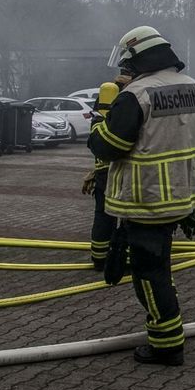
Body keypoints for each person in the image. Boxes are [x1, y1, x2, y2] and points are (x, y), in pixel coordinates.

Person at [87, 26, 195, 366]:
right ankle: (167, 336)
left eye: (127, 63)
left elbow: (110, 146)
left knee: (149, 274)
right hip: (183, 198)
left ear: (138, 59)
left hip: (145, 201)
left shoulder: (137, 95)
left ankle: (166, 345)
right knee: (159, 267)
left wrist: (99, 119)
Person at [82, 73, 132, 272]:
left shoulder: (104, 103)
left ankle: (99, 258)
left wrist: (94, 172)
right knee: (129, 216)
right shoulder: (130, 101)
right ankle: (124, 259)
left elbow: (98, 140)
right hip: (124, 170)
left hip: (103, 171)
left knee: (103, 215)